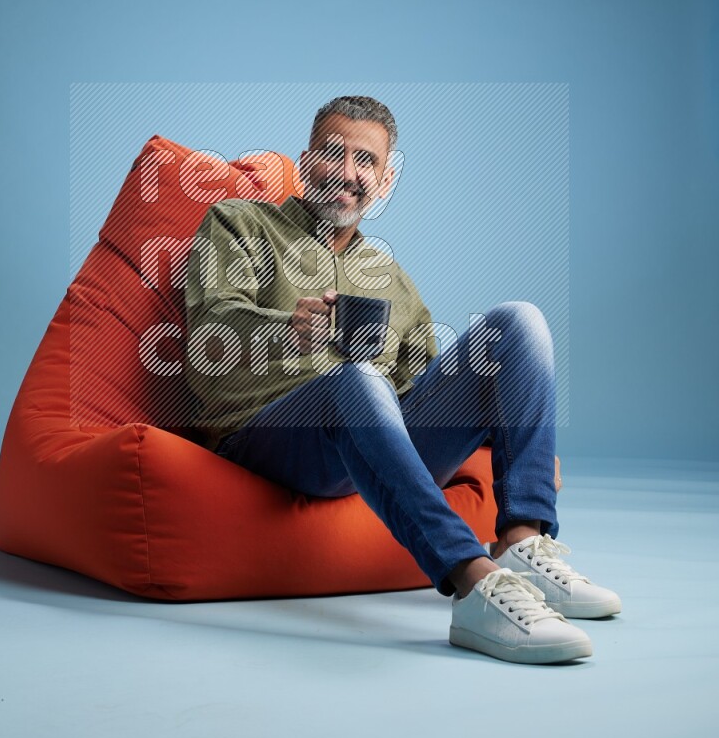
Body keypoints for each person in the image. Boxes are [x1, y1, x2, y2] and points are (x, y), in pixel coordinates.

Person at [182, 95, 621, 664]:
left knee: (519, 323)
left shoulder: (391, 279)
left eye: (365, 161)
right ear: (304, 159)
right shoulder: (238, 223)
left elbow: (425, 398)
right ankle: (475, 584)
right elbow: (204, 344)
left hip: (370, 445)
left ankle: (521, 541)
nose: (347, 173)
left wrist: (518, 445)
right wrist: (290, 328)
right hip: (269, 437)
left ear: (384, 179)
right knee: (359, 380)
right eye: (332, 154)